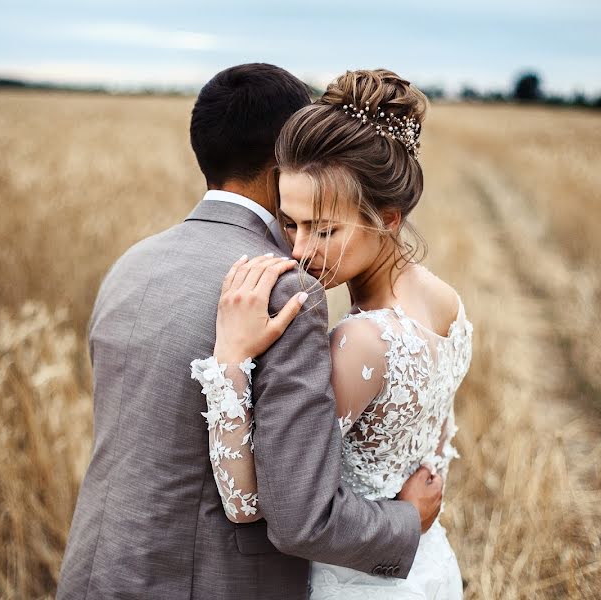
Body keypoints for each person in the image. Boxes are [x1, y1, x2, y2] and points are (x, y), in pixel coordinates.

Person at [55, 63, 443, 600]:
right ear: (282, 160)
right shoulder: (284, 289)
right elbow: (301, 517)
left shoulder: (131, 264)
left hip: (93, 573)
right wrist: (405, 522)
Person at [191, 68, 473, 599]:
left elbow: (253, 500)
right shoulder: (447, 304)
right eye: (291, 223)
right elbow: (432, 463)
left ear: (388, 218)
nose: (298, 251)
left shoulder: (360, 343)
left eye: (325, 231)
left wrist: (230, 358)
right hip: (428, 570)